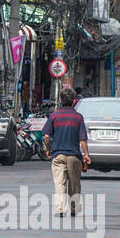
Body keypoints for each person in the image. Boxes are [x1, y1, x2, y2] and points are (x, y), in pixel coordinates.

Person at [42, 86, 92, 219]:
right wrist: (86, 154)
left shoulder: (54, 116)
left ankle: (59, 209)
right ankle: (74, 209)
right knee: (74, 184)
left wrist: (49, 149)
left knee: (59, 183)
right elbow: (83, 140)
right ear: (74, 101)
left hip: (58, 156)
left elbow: (46, 136)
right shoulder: (78, 117)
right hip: (74, 157)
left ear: (60, 100)